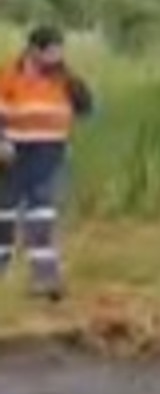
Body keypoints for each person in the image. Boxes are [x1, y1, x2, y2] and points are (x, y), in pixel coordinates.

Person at [0, 25, 93, 301]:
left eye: (59, 51)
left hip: (50, 154)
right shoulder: (8, 77)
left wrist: (77, 88)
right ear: (34, 51)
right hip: (13, 154)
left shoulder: (66, 79)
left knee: (41, 214)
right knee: (3, 215)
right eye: (51, 51)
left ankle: (46, 279)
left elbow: (86, 109)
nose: (56, 57)